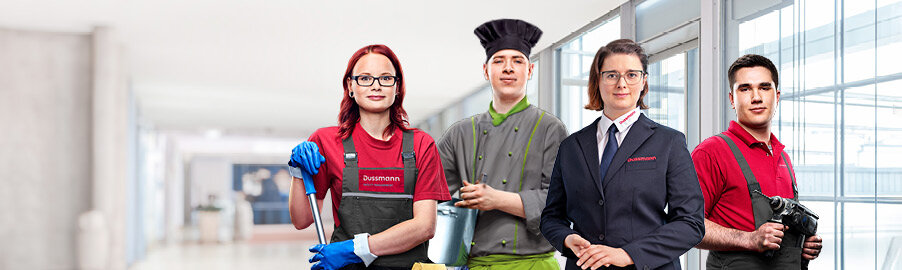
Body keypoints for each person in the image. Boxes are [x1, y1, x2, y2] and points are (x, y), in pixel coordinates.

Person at [539, 39, 704, 270]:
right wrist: (567, 239)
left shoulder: (669, 142)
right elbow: (551, 217)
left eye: (632, 75)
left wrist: (628, 254)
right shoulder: (571, 147)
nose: (621, 83)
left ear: (644, 81)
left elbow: (691, 223)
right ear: (598, 80)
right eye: (611, 75)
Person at [288, 44, 451, 270]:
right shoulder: (326, 141)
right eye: (365, 78)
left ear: (397, 86)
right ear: (351, 86)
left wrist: (355, 249)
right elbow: (301, 220)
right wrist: (298, 172)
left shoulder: (421, 145)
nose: (376, 86)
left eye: (385, 78)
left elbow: (425, 226)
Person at [436, 18, 566, 270]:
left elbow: (559, 202)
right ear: (486, 70)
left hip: (532, 265)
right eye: (499, 61)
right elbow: (431, 193)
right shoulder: (459, 133)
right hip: (474, 264)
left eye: (517, 61)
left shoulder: (550, 128)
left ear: (530, 71)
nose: (508, 68)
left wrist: (495, 199)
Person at [691, 54, 823, 269]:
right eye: (745, 89)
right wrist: (749, 239)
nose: (756, 97)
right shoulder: (711, 152)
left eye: (764, 87)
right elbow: (688, 225)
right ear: (732, 99)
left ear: (777, 96)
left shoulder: (783, 157)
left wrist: (802, 245)